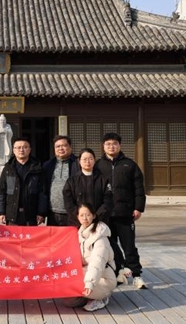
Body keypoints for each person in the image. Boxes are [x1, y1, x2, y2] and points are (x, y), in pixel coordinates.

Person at [96, 132, 147, 290]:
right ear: (103, 146)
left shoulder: (129, 165)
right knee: (111, 247)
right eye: (108, 144)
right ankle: (118, 273)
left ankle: (136, 275)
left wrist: (138, 207)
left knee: (129, 246)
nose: (111, 146)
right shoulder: (98, 165)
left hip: (125, 212)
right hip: (105, 215)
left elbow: (139, 188)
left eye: (114, 143)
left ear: (120, 145)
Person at [63, 202, 117, 311]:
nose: (85, 218)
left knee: (77, 285)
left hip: (104, 277)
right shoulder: (79, 234)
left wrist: (89, 283)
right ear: (77, 217)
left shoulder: (100, 237)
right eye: (82, 215)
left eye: (88, 215)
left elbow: (97, 263)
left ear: (94, 216)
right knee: (69, 300)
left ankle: (102, 298)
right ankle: (89, 296)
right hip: (87, 272)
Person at [0, 137, 47, 226]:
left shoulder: (37, 168)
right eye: (18, 147)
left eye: (25, 147)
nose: (21, 150)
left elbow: (42, 193)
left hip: (31, 215)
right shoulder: (8, 168)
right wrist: (1, 212)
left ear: (29, 150)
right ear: (13, 150)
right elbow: (1, 191)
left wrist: (41, 212)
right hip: (12, 214)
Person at [63, 148, 112, 227]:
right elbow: (68, 202)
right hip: (77, 222)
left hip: (98, 222)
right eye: (84, 159)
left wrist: (95, 216)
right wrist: (80, 216)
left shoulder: (103, 179)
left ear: (94, 160)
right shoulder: (72, 180)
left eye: (90, 159)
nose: (88, 162)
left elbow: (108, 200)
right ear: (79, 161)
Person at [43, 135, 80, 226]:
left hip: (73, 212)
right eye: (57, 146)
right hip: (53, 213)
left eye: (64, 145)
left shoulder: (78, 163)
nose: (60, 148)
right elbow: (43, 189)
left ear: (70, 147)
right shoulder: (48, 165)